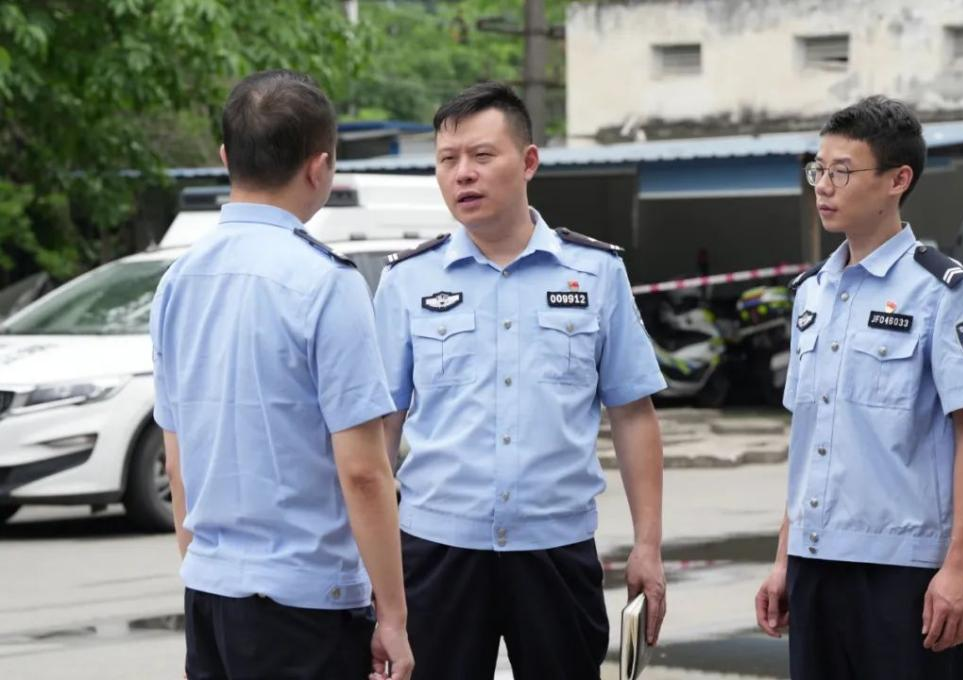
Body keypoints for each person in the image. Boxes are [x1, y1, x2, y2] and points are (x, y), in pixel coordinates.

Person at [372, 81, 667, 680]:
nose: (463, 173)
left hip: (555, 548)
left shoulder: (596, 273)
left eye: (482, 156)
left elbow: (633, 414)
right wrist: (369, 568)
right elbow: (380, 429)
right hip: (437, 550)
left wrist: (648, 545)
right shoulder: (408, 281)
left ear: (529, 161)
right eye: (447, 160)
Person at [150, 69, 413, 680]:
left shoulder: (176, 282)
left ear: (225, 158)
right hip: (305, 605)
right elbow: (364, 471)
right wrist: (394, 616)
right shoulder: (326, 283)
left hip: (209, 595)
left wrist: (205, 571)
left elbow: (177, 461)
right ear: (320, 168)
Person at [754, 96, 963, 679]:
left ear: (898, 179)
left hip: (902, 572)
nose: (823, 186)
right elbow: (809, 443)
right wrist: (785, 558)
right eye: (818, 170)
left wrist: (959, 567)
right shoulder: (811, 294)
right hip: (814, 564)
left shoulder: (939, 291)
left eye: (842, 171)